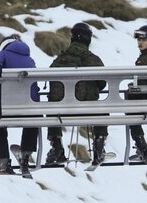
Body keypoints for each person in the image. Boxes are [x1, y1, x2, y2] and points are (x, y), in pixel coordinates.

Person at [46, 22, 108, 166]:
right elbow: (103, 82)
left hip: (60, 111)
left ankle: (56, 146)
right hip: (87, 109)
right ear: (88, 39)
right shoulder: (93, 59)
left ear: (72, 38)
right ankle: (99, 146)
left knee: (51, 106)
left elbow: (50, 79)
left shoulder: (59, 60)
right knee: (103, 110)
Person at [0, 34, 39, 174]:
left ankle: (2, 159)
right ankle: (26, 154)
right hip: (32, 106)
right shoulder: (29, 59)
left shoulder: (2, 55)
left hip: (9, 106)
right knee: (33, 118)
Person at [127, 25, 147, 163]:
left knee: (129, 106)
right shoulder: (143, 57)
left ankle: (141, 146)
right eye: (138, 39)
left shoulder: (144, 60)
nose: (140, 42)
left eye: (143, 39)